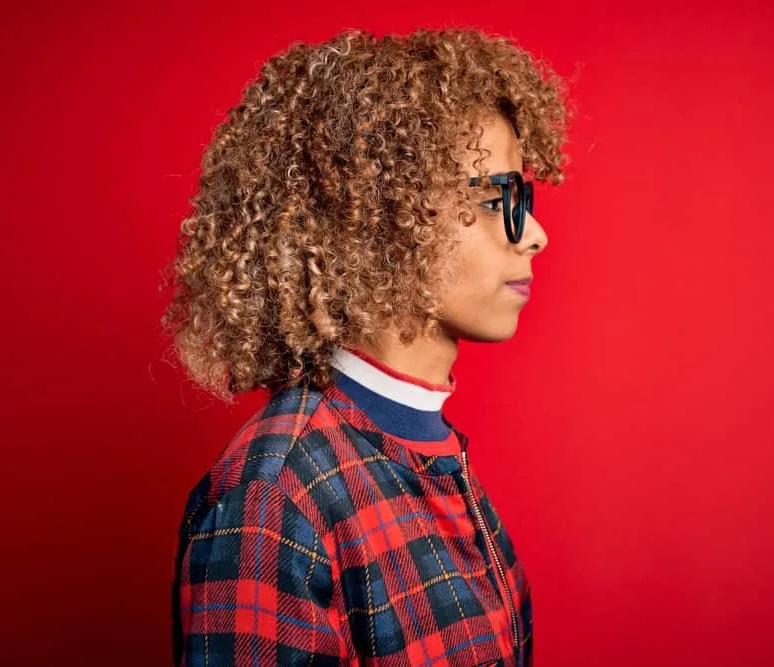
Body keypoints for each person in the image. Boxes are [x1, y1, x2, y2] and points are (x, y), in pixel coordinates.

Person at [160, 26, 572, 666]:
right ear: (380, 220)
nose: (535, 234)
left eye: (525, 198)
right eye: (497, 201)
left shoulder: (433, 453)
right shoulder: (278, 493)